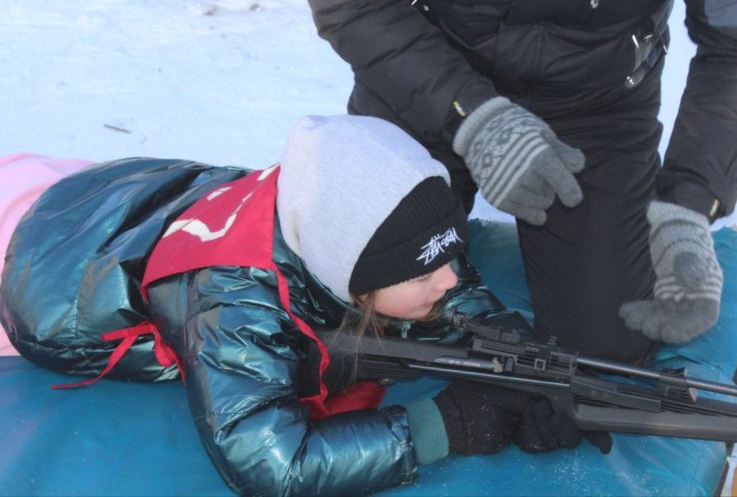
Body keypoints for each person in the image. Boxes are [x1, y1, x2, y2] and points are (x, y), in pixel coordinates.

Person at [0, 115, 590, 495]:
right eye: (423, 272)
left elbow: (432, 270)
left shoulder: (327, 204)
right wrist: (447, 425)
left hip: (126, 193)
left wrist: (497, 333)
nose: (450, 279)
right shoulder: (233, 304)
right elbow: (270, 463)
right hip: (48, 273)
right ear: (353, 279)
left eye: (450, 255)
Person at [299, 0, 737, 364]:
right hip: (429, 84)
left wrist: (689, 204)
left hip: (595, 108)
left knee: (607, 346)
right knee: (357, 316)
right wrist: (475, 120)